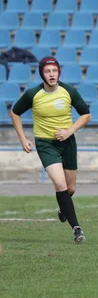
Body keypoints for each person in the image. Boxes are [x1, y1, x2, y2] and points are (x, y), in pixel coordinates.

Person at [10, 57, 91, 243]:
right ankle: (77, 229)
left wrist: (69, 130)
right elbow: (15, 113)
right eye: (48, 71)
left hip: (68, 142)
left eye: (54, 70)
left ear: (59, 73)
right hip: (46, 144)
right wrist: (23, 138)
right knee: (60, 185)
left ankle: (64, 208)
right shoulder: (33, 94)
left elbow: (86, 115)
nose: (52, 74)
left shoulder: (68, 91)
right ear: (42, 74)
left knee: (70, 188)